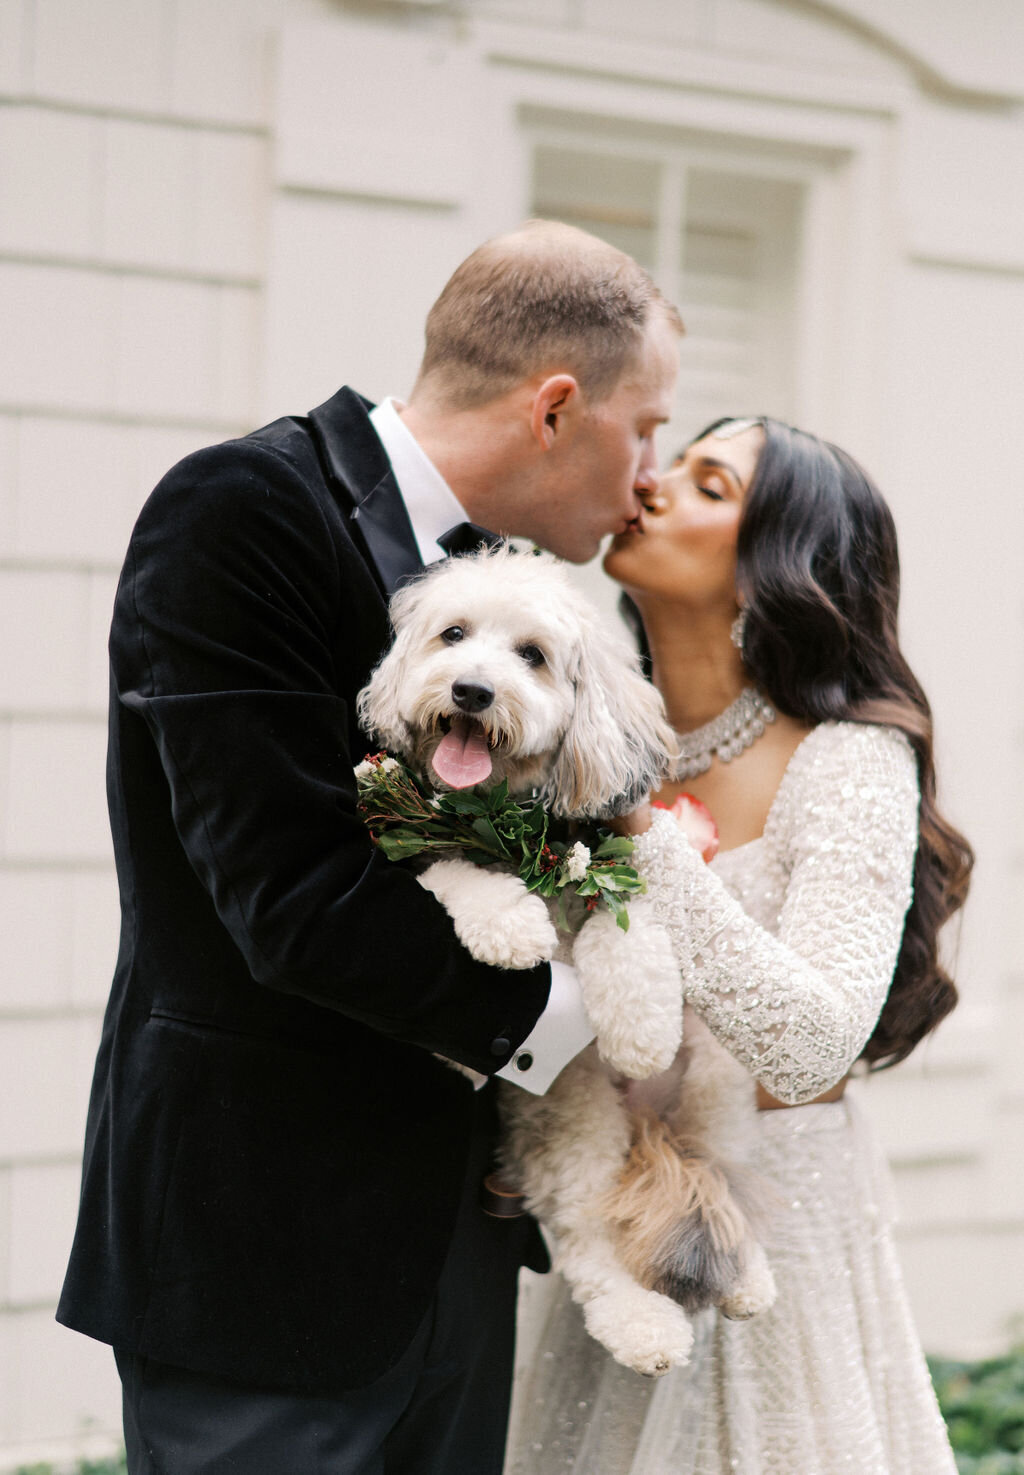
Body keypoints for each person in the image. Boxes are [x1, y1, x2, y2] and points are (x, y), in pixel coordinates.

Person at [56, 220, 684, 1475]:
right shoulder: (244, 511)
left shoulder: (535, 607)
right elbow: (290, 898)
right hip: (264, 1253)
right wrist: (576, 1032)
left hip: (454, 1235)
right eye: (649, 425)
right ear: (556, 408)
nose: (651, 476)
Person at [504, 417, 973, 1475]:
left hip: (777, 1235)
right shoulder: (569, 721)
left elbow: (809, 1045)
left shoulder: (850, 762)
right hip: (605, 1229)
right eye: (673, 462)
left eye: (707, 483)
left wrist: (635, 831)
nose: (653, 484)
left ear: (773, 571)